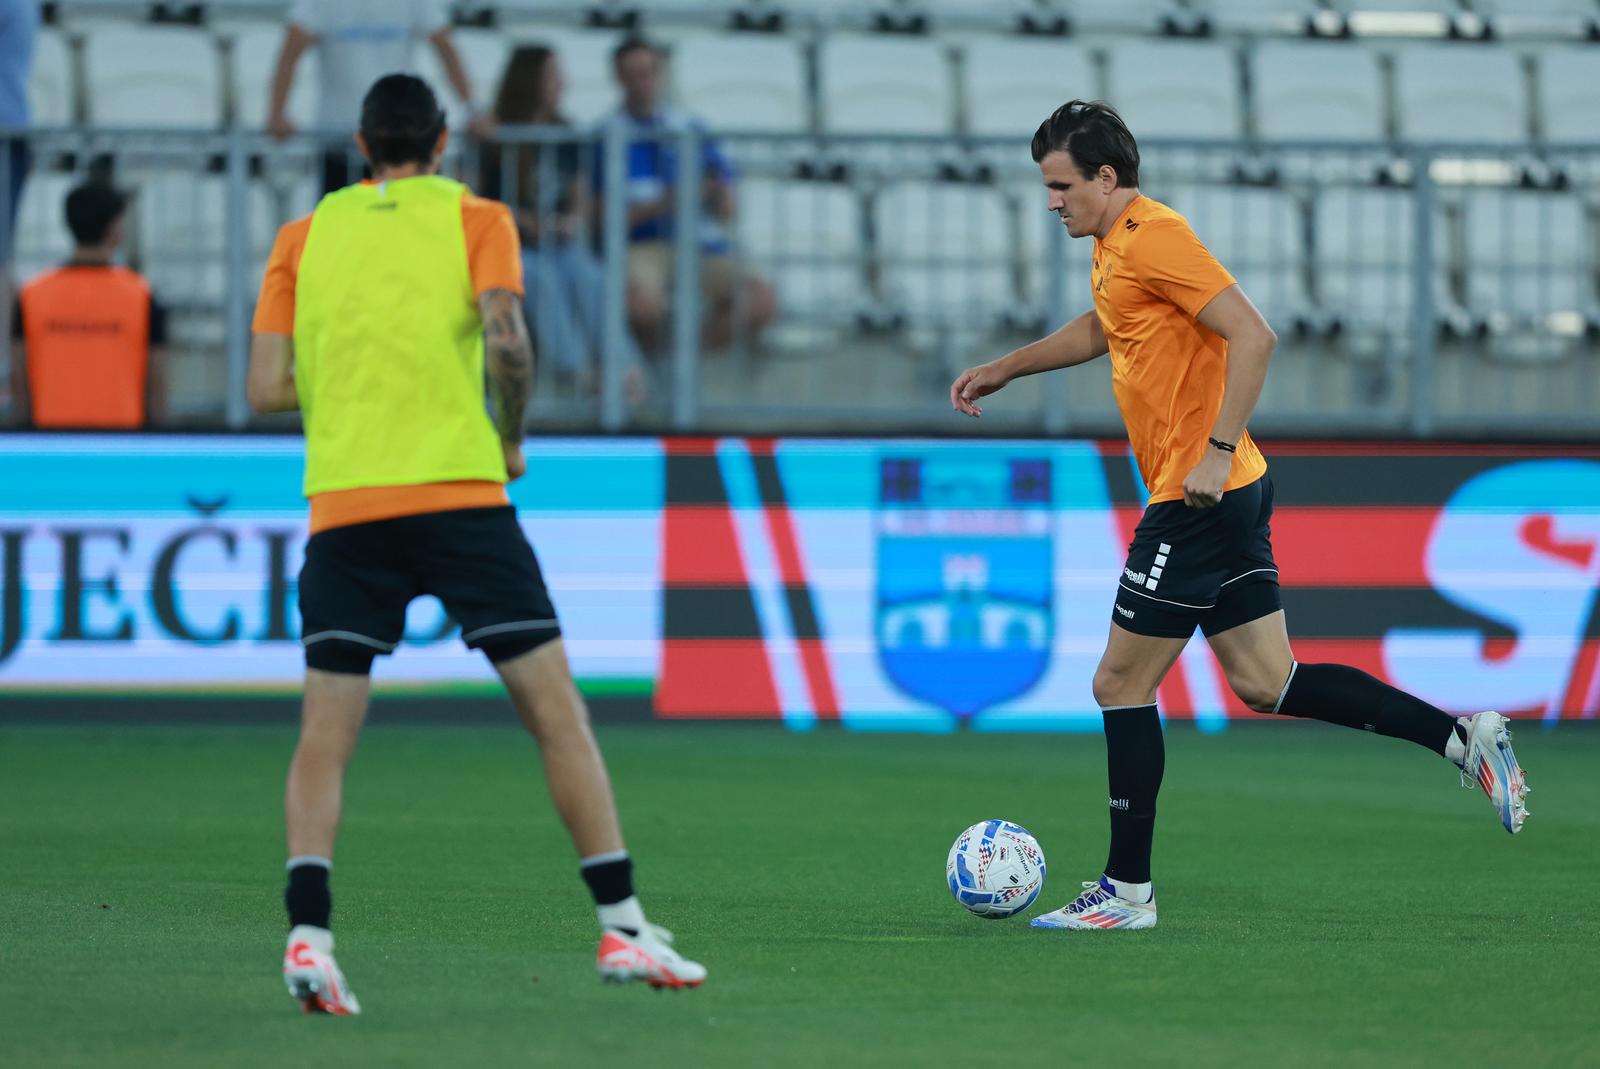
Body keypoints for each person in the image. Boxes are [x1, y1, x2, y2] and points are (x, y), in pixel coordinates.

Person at [949, 100, 1529, 932]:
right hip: (1230, 490)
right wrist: (1008, 368)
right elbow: (1105, 330)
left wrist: (1215, 449)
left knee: (1119, 682)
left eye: (1062, 184)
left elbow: (1254, 335)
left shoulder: (1156, 235)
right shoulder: (1117, 247)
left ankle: (1125, 892)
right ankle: (1462, 738)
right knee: (1269, 681)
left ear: (1106, 179)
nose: (1053, 201)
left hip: (1200, 494)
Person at [248, 73, 704, 1015]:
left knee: (325, 737)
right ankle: (621, 927)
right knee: (555, 714)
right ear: (444, 140)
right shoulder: (476, 216)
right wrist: (509, 431)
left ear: (364, 143)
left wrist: (356, 381)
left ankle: (310, 934)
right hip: (461, 499)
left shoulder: (303, 236)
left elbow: (264, 387)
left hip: (346, 507)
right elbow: (509, 343)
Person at [593, 36, 775, 355]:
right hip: (641, 246)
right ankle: (660, 370)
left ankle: (684, 364)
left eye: (647, 73)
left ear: (660, 73)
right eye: (631, 75)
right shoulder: (602, 135)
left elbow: (728, 207)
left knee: (761, 300)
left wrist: (715, 192)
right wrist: (665, 204)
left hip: (699, 243)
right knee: (640, 305)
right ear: (617, 78)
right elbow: (596, 217)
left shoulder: (693, 129)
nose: (641, 83)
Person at [479, 44, 644, 390]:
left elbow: (579, 197)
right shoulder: (495, 133)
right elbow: (479, 200)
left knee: (589, 275)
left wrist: (570, 221)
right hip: (510, 246)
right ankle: (576, 372)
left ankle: (628, 371)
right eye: (553, 76)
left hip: (557, 242)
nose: (562, 84)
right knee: (540, 278)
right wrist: (525, 223)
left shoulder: (566, 131)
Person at [266, 0, 494, 194]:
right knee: (349, 237)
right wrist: (277, 113)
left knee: (408, 235)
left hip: (399, 147)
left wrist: (473, 110)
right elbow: (290, 53)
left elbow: (446, 47)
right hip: (342, 148)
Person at [12, 181, 168, 428]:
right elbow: (156, 384)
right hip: (121, 443)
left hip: (50, 442)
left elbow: (20, 380)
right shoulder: (142, 296)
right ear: (114, 229)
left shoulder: (32, 295)